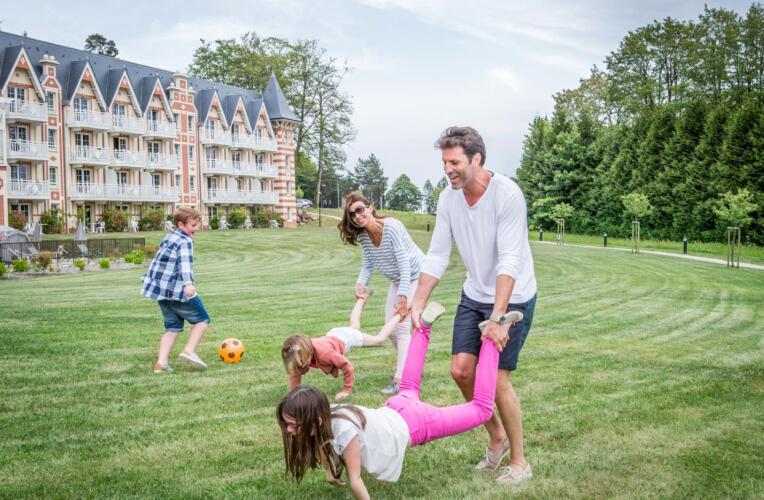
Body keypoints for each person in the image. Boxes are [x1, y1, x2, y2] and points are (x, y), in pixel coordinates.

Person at [277, 302, 515, 499]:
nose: (288, 429)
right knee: (409, 386)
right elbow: (321, 440)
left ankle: (490, 339)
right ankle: (422, 328)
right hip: (395, 408)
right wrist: (330, 471)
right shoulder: (325, 411)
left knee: (482, 409)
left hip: (415, 422)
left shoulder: (344, 431)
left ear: (315, 419)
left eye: (292, 425)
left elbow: (356, 480)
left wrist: (334, 471)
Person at [410, 126, 538, 485]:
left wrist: (498, 318)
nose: (447, 169)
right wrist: (418, 301)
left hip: (513, 296)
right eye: (444, 162)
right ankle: (496, 437)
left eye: (454, 162)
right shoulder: (448, 199)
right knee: (461, 372)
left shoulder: (507, 194)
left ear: (476, 159)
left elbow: (509, 260)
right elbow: (437, 254)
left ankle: (519, 461)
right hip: (474, 293)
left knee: (496, 381)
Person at [338, 192, 424, 394]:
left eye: (360, 210)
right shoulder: (364, 236)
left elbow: (404, 263)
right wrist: (360, 284)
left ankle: (402, 380)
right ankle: (413, 367)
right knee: (391, 330)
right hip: (398, 279)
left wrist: (404, 298)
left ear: (370, 208)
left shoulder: (392, 226)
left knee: (401, 328)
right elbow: (368, 265)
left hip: (417, 275)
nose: (357, 216)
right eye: (352, 214)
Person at [282, 287, 403, 401]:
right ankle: (362, 298)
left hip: (346, 338)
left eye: (301, 362)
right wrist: (292, 396)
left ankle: (400, 313)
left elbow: (347, 366)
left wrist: (346, 390)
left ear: (307, 352)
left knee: (379, 339)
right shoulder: (301, 351)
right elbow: (295, 374)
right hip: (334, 335)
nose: (301, 365)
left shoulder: (325, 354)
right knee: (354, 326)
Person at [141, 206, 211, 373]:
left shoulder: (170, 236)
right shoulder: (185, 241)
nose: (196, 228)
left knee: (172, 327)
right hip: (176, 291)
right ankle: (189, 351)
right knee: (202, 320)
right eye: (193, 225)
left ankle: (161, 364)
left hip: (161, 292)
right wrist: (188, 284)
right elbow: (184, 264)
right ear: (181, 224)